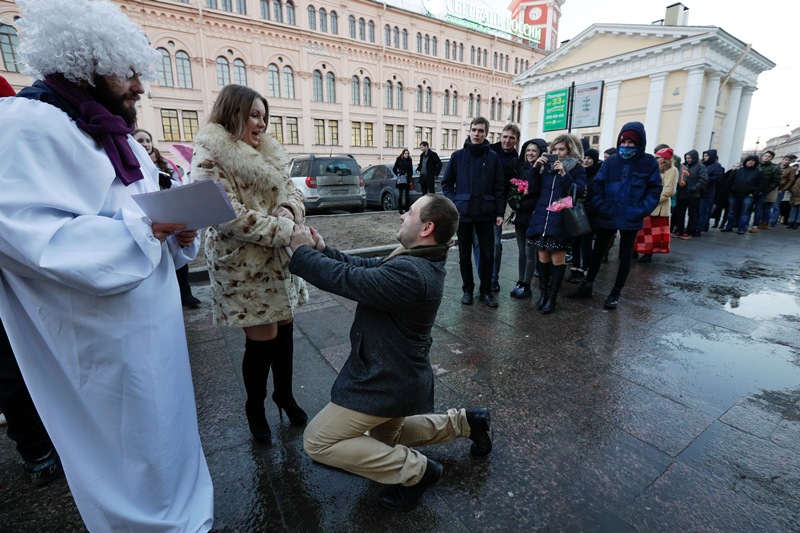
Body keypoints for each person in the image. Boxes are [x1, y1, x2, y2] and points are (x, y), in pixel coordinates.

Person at [0, 0, 214, 530]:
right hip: (96, 338)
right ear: (84, 64)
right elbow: (31, 238)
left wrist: (175, 233)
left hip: (152, 323)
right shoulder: (22, 126)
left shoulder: (115, 132)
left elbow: (143, 209)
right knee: (127, 449)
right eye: (128, 72)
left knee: (166, 433)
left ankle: (189, 517)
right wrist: (144, 232)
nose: (140, 86)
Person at [287, 194, 493, 513]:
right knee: (383, 441)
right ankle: (466, 423)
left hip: (386, 379)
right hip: (400, 373)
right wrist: (323, 250)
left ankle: (416, 472)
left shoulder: (415, 272)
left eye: (409, 212)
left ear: (426, 227)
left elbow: (350, 280)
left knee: (318, 441)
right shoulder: (418, 255)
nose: (401, 216)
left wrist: (300, 252)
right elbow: (365, 267)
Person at [191, 84, 309, 443]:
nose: (261, 124)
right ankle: (254, 406)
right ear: (233, 114)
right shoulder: (209, 155)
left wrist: (289, 208)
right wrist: (288, 229)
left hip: (279, 260)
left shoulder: (270, 151)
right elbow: (229, 217)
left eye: (264, 116)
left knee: (285, 325)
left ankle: (284, 394)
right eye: (254, 116)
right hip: (243, 265)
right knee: (263, 336)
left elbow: (294, 191)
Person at [567, 122, 661, 309]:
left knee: (625, 256)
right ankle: (587, 285)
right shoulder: (612, 162)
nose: (626, 145)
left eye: (631, 142)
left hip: (631, 217)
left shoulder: (648, 162)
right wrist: (602, 206)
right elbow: (599, 185)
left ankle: (615, 292)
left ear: (640, 143)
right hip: (608, 215)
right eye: (624, 141)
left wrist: (641, 210)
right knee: (597, 252)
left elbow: (655, 189)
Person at [133, 128, 202, 309]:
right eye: (140, 140)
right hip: (148, 219)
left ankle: (184, 294)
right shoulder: (130, 163)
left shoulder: (165, 165)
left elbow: (179, 186)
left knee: (178, 254)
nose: (145, 144)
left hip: (169, 213)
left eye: (148, 140)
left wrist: (167, 182)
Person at [442, 117, 505, 308]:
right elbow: (446, 184)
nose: (477, 134)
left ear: (486, 134)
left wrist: (500, 212)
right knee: (464, 255)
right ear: (469, 131)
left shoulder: (493, 157)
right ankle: (467, 290)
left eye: (481, 131)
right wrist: (456, 202)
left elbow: (499, 187)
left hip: (486, 214)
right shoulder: (458, 156)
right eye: (474, 130)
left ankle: (485, 292)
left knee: (487, 255)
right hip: (465, 214)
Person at [527, 134, 586, 314]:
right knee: (543, 257)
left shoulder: (576, 168)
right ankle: (543, 294)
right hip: (542, 218)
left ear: (569, 151)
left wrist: (563, 174)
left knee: (557, 259)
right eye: (555, 149)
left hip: (560, 219)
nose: (557, 153)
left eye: (561, 149)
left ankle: (552, 298)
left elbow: (578, 192)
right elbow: (532, 190)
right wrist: (535, 169)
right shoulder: (545, 167)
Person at [509, 138, 547, 299]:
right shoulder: (520, 168)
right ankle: (520, 280)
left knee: (529, 252)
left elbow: (537, 191)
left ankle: (527, 284)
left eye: (534, 151)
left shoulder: (544, 170)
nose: (530, 153)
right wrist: (515, 202)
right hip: (520, 217)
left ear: (540, 153)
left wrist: (524, 200)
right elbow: (513, 192)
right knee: (521, 252)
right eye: (528, 151)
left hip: (533, 217)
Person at [486, 124, 520, 292]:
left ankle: (493, 278)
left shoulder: (518, 160)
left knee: (496, 244)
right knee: (478, 244)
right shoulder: (489, 151)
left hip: (498, 208)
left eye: (511, 138)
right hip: (481, 205)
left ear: (516, 141)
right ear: (500, 137)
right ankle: (483, 276)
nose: (507, 140)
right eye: (505, 137)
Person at [634, 147, 678, 262]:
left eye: (658, 157)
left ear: (665, 159)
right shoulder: (655, 169)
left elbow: (669, 190)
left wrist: (652, 199)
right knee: (642, 231)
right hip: (648, 205)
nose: (655, 159)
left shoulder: (672, 170)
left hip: (658, 207)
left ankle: (648, 254)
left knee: (653, 234)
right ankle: (636, 250)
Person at [567, 148, 602, 284]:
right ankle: (575, 268)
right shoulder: (579, 172)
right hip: (577, 213)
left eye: (589, 158)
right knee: (575, 243)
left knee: (586, 244)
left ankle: (584, 269)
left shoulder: (598, 175)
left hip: (590, 215)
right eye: (585, 158)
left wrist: (587, 208)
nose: (586, 160)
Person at [721, 155, 761, 234]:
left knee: (745, 212)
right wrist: (730, 191)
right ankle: (729, 226)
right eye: (749, 160)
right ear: (746, 161)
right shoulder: (738, 171)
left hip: (748, 195)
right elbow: (729, 182)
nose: (751, 162)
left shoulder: (758, 173)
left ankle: (741, 228)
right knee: (731, 211)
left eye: (753, 161)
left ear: (755, 163)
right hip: (734, 194)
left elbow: (761, 185)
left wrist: (753, 194)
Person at [672, 150, 707, 239]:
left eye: (689, 158)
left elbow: (702, 180)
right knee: (680, 213)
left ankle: (689, 231)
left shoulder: (700, 167)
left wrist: (694, 188)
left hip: (693, 194)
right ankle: (680, 230)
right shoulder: (683, 166)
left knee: (692, 214)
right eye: (686, 158)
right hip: (682, 193)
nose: (688, 160)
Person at [751, 150, 781, 232]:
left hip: (763, 191)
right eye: (765, 155)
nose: (766, 157)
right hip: (752, 190)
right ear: (762, 156)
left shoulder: (774, 168)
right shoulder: (757, 166)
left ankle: (756, 225)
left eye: (769, 156)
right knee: (748, 207)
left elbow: (776, 181)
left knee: (759, 209)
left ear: (771, 158)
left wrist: (767, 190)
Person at [700, 150, 725, 232]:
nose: (705, 157)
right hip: (700, 190)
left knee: (705, 210)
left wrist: (706, 179)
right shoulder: (702, 165)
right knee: (699, 210)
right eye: (704, 156)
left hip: (708, 191)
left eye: (707, 156)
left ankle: (703, 225)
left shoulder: (716, 166)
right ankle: (698, 224)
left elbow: (718, 178)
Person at [392, 148, 414, 214]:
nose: (406, 155)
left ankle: (407, 209)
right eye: (405, 153)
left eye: (407, 153)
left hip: (407, 178)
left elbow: (411, 170)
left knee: (407, 194)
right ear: (403, 153)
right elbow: (394, 169)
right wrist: (398, 174)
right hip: (400, 178)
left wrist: (410, 177)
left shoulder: (410, 160)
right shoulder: (399, 159)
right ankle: (400, 209)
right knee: (400, 194)